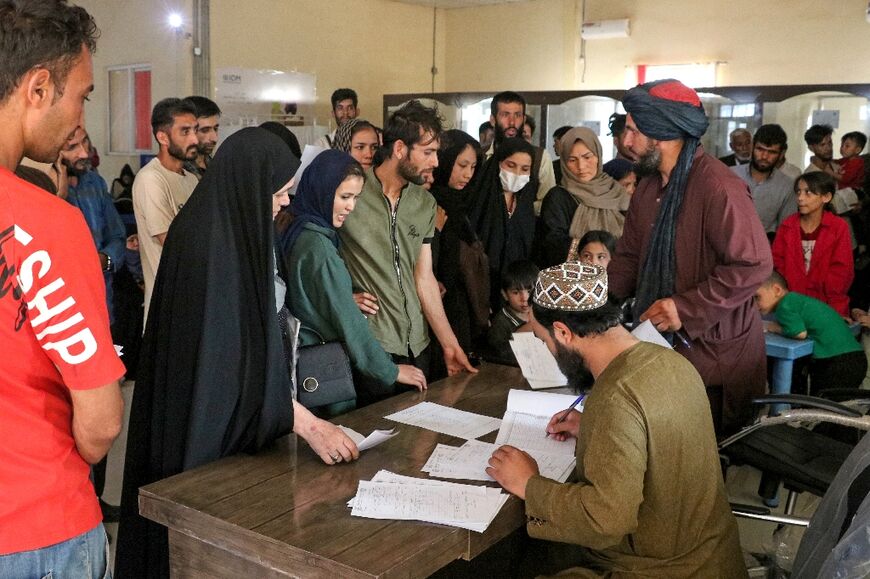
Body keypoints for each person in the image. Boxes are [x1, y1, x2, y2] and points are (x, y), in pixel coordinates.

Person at [116, 128, 360, 578]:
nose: (286, 202)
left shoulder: (226, 226)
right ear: (255, 185)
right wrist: (307, 424)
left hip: (211, 423)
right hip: (201, 438)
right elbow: (227, 368)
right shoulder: (211, 245)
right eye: (282, 191)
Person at [486, 262, 745, 577]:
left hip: (657, 570)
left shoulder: (614, 397)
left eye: (545, 341)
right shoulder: (670, 360)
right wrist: (592, 428)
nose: (550, 351)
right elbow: (660, 438)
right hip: (715, 555)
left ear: (563, 332)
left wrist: (529, 484)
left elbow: (606, 521)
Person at [0, 2, 124, 577]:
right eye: (83, 94)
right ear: (39, 87)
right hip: (38, 528)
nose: (79, 116)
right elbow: (99, 425)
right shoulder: (44, 224)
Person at [608, 78, 772, 437]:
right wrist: (592, 301)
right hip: (662, 348)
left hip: (714, 357)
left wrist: (684, 308)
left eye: (635, 131)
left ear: (664, 132)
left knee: (696, 469)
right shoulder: (649, 186)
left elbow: (753, 264)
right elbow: (630, 257)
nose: (626, 142)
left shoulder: (718, 187)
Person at [338, 100, 476, 404]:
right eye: (428, 152)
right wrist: (341, 297)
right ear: (400, 148)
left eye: (436, 152)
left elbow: (423, 277)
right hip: (373, 343)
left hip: (418, 345)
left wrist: (449, 344)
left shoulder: (424, 204)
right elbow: (315, 254)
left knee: (416, 440)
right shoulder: (352, 194)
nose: (436, 163)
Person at [282, 149, 426, 406]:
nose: (351, 206)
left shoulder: (298, 228)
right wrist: (391, 370)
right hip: (324, 369)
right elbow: (348, 322)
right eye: (344, 196)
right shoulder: (319, 248)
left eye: (356, 197)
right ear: (323, 192)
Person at [132, 97, 200, 323]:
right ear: (162, 137)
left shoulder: (191, 179)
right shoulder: (151, 179)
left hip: (192, 300)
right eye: (185, 132)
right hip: (168, 309)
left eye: (195, 130)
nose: (194, 139)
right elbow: (172, 242)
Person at [756, 271, 866, 394]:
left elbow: (799, 333)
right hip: (854, 358)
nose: (754, 304)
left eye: (757, 297)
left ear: (777, 290)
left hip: (836, 363)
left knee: (820, 409)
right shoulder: (798, 300)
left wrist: (773, 327)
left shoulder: (785, 305)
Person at [59, 127, 126, 323]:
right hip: (64, 309)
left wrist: (102, 261)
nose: (84, 153)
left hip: (101, 303)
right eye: (72, 147)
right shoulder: (42, 188)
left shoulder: (95, 182)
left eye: (85, 142)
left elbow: (117, 236)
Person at [430, 129, 489, 354]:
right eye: (462, 165)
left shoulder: (463, 200)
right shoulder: (432, 200)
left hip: (459, 298)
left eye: (473, 167)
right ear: (445, 160)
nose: (468, 175)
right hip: (438, 297)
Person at [539, 127, 630, 267]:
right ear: (563, 162)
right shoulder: (558, 197)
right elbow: (553, 245)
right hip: (575, 282)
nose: (581, 166)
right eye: (572, 159)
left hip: (620, 279)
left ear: (598, 156)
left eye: (587, 157)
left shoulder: (616, 191)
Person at [471, 137, 538, 313]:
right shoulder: (481, 198)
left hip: (515, 296)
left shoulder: (524, 202)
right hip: (479, 290)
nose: (517, 173)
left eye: (525, 169)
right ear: (498, 163)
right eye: (511, 165)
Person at [772, 172, 853, 317]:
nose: (800, 198)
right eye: (798, 192)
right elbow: (778, 262)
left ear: (826, 197)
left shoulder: (838, 227)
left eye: (808, 193)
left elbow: (842, 271)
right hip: (792, 302)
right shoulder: (787, 225)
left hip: (828, 305)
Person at [486, 91, 556, 214]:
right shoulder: (480, 155)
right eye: (505, 115)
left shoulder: (540, 157)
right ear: (493, 120)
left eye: (517, 115)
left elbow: (548, 203)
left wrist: (515, 208)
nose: (512, 122)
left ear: (523, 119)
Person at [731, 124, 798, 238]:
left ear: (781, 154)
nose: (764, 156)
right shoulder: (731, 175)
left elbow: (785, 231)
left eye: (772, 152)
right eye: (760, 149)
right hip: (726, 247)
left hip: (764, 249)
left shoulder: (787, 186)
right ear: (752, 147)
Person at [486, 259, 537, 364]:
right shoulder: (501, 322)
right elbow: (500, 355)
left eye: (530, 291)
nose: (525, 298)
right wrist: (527, 329)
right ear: (505, 294)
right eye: (516, 292)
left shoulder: (542, 313)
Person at [183, 95, 221, 179]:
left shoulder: (217, 167)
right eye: (205, 130)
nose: (214, 138)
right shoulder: (175, 171)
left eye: (215, 129)